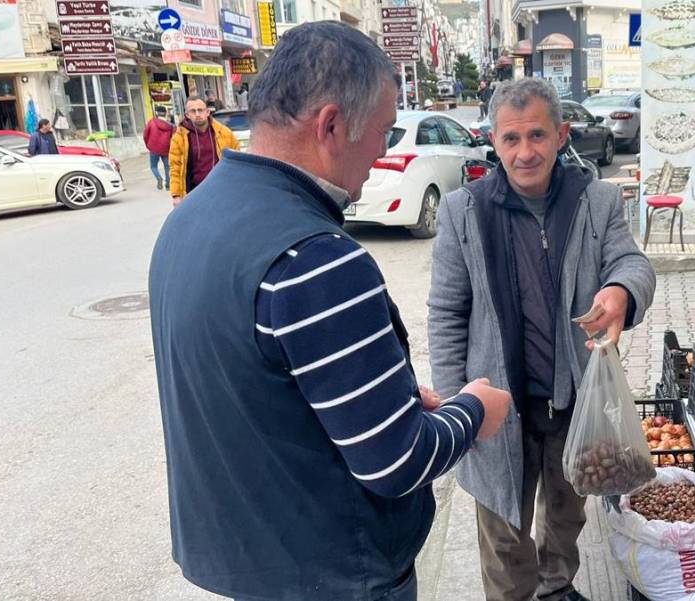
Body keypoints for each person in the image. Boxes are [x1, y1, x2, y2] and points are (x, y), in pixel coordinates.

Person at [149, 21, 511, 601]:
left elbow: (252, 389)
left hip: (252, 561)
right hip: (338, 573)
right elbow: (397, 464)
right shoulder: (316, 259)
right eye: (383, 132)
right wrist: (473, 412)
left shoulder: (190, 218)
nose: (383, 151)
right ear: (332, 125)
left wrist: (376, 403)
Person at [427, 77, 656, 601]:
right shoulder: (464, 212)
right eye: (511, 139)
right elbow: (445, 312)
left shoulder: (596, 201)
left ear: (561, 135)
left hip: (573, 402)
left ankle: (556, 587)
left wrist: (621, 290)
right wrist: (454, 403)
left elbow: (630, 261)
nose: (525, 152)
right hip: (496, 408)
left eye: (537, 136)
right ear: (493, 139)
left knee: (566, 509)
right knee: (503, 529)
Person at [168, 95, 239, 206]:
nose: (197, 114)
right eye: (193, 111)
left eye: (200, 110)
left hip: (222, 190)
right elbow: (175, 167)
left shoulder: (224, 133)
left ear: (207, 112)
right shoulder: (180, 137)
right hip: (194, 193)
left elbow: (236, 161)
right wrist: (176, 195)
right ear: (187, 115)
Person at [142, 106, 174, 190]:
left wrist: (148, 145)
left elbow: (145, 134)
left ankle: (159, 177)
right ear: (165, 113)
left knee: (153, 166)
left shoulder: (151, 122)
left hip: (153, 148)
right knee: (167, 167)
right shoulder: (170, 126)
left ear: (157, 113)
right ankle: (168, 185)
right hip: (166, 149)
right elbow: (173, 138)